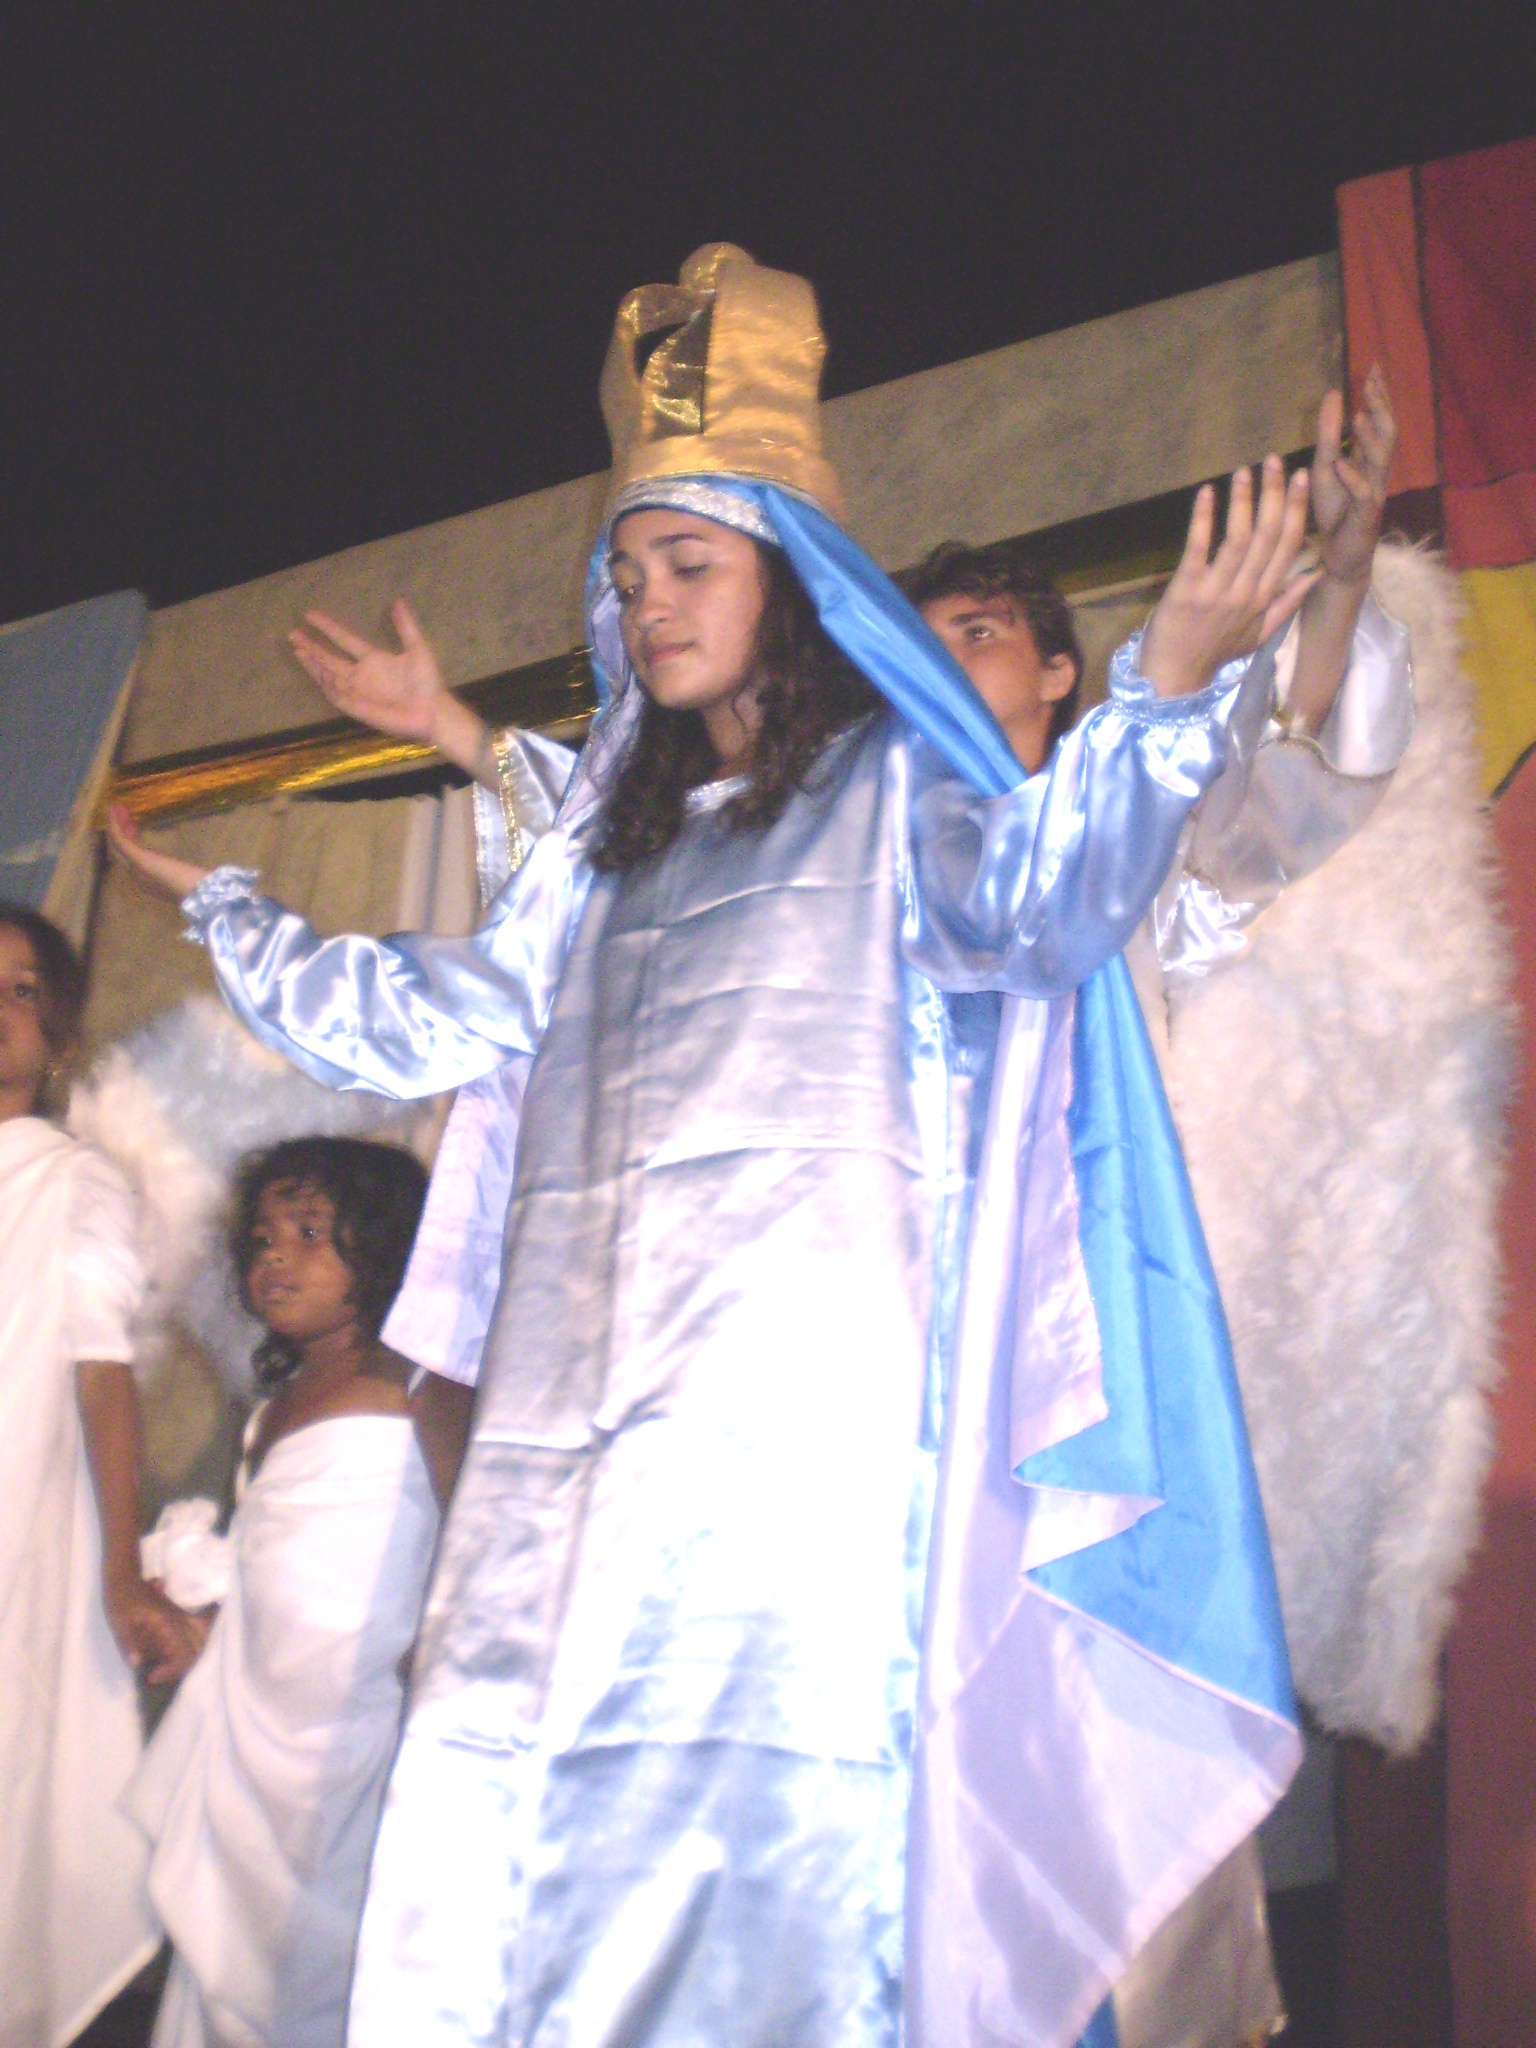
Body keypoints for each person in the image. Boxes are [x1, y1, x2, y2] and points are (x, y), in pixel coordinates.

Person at [110, 244, 1349, 2048]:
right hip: (573, 1466)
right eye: (628, 576)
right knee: (537, 1851)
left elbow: (1049, 891)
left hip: (800, 1462)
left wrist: (1165, 671)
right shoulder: (605, 861)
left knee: (790, 1860)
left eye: (691, 564)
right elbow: (431, 1012)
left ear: (795, 576)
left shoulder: (897, 791)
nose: (651, 602)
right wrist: (232, 909)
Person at [127, 1135, 440, 2048]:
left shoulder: (421, 1382)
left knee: (332, 1949)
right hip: (260, 1717)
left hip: (359, 1716)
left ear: (382, 1245)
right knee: (234, 1930)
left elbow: (468, 1521)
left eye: (309, 1232)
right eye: (262, 1239)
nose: (276, 1259)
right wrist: (204, 1622)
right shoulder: (276, 1405)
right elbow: (269, 1563)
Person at [0, 902, 202, 2048]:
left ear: (61, 1039)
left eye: (23, 989)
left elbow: (101, 1374)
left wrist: (121, 1571)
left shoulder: (70, 1180)